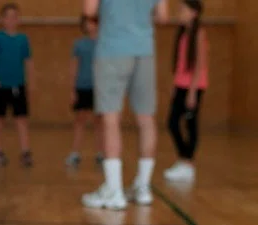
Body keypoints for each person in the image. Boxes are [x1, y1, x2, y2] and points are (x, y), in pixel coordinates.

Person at [81, 0, 168, 210]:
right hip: (144, 50)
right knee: (146, 119)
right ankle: (143, 187)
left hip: (112, 49)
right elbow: (163, 17)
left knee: (111, 118)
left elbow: (89, 10)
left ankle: (114, 190)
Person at [0, 3, 35, 168]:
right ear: (2, 19)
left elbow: (28, 61)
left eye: (15, 16)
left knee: (21, 119)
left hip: (18, 85)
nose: (11, 20)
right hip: (0, 85)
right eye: (8, 16)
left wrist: (30, 82)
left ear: (18, 19)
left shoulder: (23, 39)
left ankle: (25, 151)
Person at [164, 0, 207, 182]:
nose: (180, 12)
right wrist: (176, 87)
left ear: (194, 13)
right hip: (181, 85)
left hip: (194, 87)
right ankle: (184, 159)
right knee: (172, 123)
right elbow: (181, 65)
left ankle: (188, 163)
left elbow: (199, 65)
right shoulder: (183, 34)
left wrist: (191, 92)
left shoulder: (199, 34)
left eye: (184, 9)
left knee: (190, 124)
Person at [66, 14, 104, 168]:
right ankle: (75, 153)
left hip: (100, 88)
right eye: (87, 23)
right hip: (82, 87)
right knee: (80, 120)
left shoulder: (105, 43)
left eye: (93, 22)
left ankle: (101, 154)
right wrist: (72, 89)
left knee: (99, 123)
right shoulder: (79, 44)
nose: (90, 26)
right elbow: (73, 67)